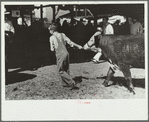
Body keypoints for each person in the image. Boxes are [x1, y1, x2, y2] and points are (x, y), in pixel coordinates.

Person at [48, 23, 83, 89]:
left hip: (60, 54)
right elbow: (70, 42)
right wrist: (78, 46)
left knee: (60, 71)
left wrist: (53, 47)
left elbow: (52, 49)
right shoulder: (62, 34)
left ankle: (71, 82)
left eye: (49, 30)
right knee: (66, 69)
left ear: (52, 30)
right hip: (66, 53)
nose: (49, 31)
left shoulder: (52, 37)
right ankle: (66, 84)